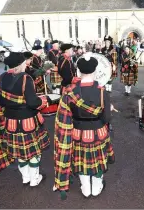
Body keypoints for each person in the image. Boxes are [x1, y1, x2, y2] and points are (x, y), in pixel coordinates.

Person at [53, 53, 115, 200]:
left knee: (81, 161)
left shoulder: (70, 91)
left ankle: (86, 188)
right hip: (98, 131)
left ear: (79, 71)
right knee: (98, 161)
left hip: (77, 132)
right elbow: (106, 118)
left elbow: (65, 115)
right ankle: (96, 187)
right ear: (95, 71)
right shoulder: (101, 90)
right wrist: (108, 109)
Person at [0, 52, 50, 186]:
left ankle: (25, 177)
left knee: (19, 152)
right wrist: (43, 100)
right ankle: (34, 179)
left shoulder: (0, 79)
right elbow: (32, 103)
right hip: (28, 121)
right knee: (33, 152)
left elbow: (0, 102)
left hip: (10, 121)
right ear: (21, 64)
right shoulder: (26, 78)